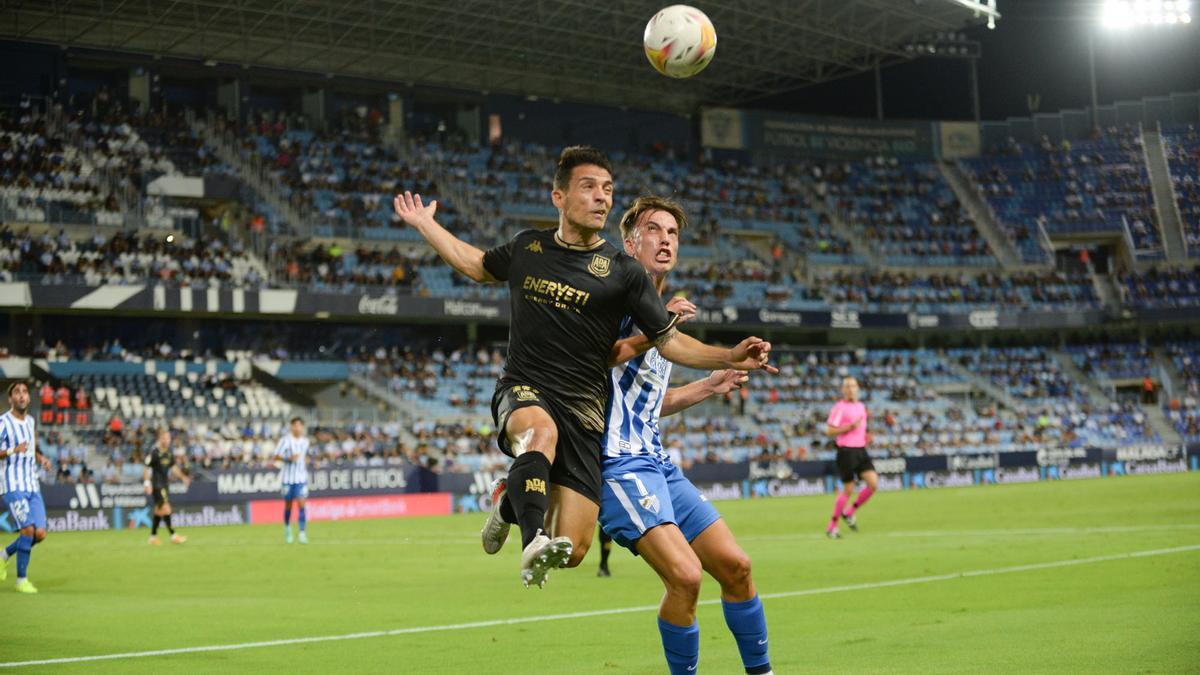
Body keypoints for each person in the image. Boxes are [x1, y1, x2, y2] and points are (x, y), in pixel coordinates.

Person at [394, 145, 775, 589]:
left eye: (608, 189)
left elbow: (669, 341)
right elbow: (477, 265)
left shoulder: (622, 270)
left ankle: (509, 507)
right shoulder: (528, 247)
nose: (602, 198)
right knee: (540, 433)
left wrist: (728, 355)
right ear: (559, 197)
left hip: (585, 416)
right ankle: (531, 539)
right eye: (589, 187)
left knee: (574, 550)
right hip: (526, 387)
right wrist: (426, 224)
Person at [598, 196, 773, 675]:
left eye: (672, 233)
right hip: (614, 463)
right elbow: (600, 355)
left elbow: (650, 405)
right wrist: (667, 331)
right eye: (654, 230)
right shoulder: (610, 293)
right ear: (630, 242)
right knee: (685, 576)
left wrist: (708, 386)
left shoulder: (659, 308)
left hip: (655, 461)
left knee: (736, 567)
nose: (665, 239)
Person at [0, 381, 54, 593]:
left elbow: (31, 448)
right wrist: (13, 450)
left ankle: (3, 555)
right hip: (12, 484)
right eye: (17, 392)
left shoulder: (31, 421)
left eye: (24, 392)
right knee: (27, 529)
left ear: (29, 398)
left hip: (32, 484)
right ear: (10, 398)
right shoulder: (3, 422)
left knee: (39, 533)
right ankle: (21, 580)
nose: (21, 395)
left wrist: (41, 458)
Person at [825, 376, 878, 539]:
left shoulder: (862, 406)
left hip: (861, 450)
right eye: (847, 386)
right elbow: (829, 431)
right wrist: (848, 427)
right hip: (846, 451)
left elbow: (862, 427)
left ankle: (850, 512)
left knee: (873, 483)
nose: (850, 389)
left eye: (853, 386)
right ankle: (832, 526)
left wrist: (868, 435)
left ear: (857, 388)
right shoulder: (839, 407)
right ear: (843, 389)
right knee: (848, 490)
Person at [144, 428, 191, 545]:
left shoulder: (169, 454)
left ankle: (152, 537)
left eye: (168, 438)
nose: (166, 440)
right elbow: (146, 468)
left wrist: (183, 477)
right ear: (160, 439)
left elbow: (174, 468)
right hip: (157, 485)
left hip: (165, 484)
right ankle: (173, 536)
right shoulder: (154, 453)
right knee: (166, 508)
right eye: (164, 438)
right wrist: (147, 483)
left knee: (159, 511)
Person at [272, 417, 311, 544]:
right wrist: (288, 458)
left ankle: (302, 533)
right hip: (288, 479)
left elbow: (306, 456)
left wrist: (309, 461)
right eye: (295, 425)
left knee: (301, 503)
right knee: (288, 504)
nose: (298, 428)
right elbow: (276, 456)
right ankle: (287, 527)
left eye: (300, 426)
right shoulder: (285, 441)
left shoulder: (305, 442)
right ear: (292, 427)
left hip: (301, 478)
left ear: (302, 427)